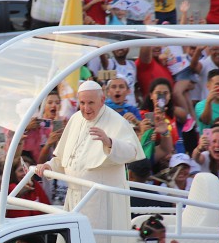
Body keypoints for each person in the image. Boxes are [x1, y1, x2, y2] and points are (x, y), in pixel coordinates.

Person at [35, 80, 144, 231]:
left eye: (91, 103)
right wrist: (49, 166)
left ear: (102, 100)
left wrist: (110, 142)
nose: (86, 108)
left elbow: (132, 151)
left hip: (101, 201)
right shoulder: (75, 119)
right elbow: (66, 157)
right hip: (73, 198)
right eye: (82, 103)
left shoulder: (116, 121)